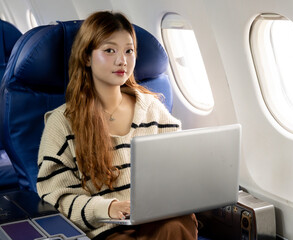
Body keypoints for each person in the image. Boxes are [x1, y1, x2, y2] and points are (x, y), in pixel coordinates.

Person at [37, 11, 198, 240]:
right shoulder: (62, 122)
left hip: (158, 218)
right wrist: (108, 208)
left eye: (129, 51)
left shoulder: (152, 108)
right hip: (106, 227)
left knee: (175, 225)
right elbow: (56, 197)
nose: (122, 60)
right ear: (86, 57)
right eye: (109, 50)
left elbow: (181, 167)